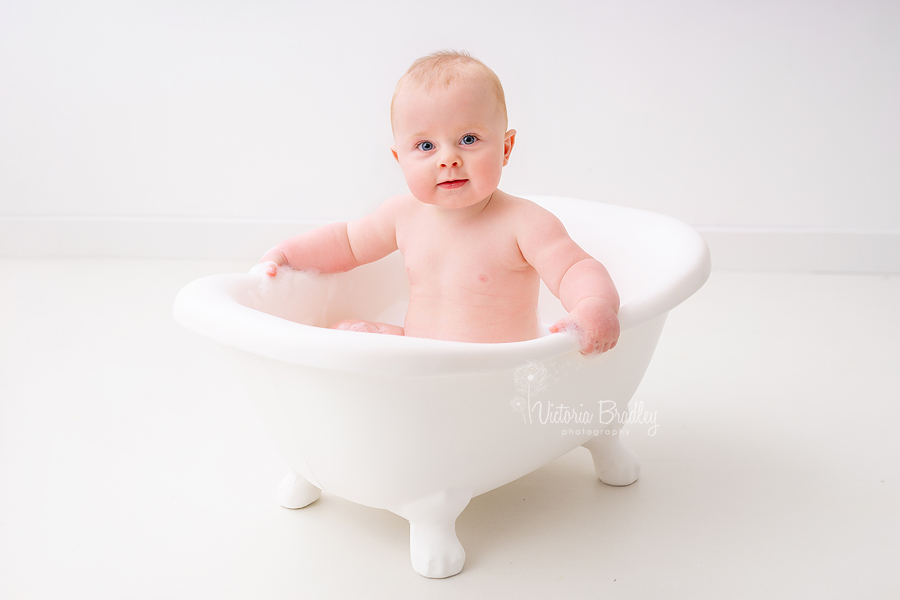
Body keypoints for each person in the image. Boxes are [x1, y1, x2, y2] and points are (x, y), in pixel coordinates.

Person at [255, 51, 619, 355]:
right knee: (347, 336)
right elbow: (345, 243)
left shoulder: (524, 223)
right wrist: (287, 255)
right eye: (426, 146)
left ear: (505, 148)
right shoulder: (402, 216)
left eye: (468, 138)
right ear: (401, 160)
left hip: (495, 368)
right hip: (421, 356)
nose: (448, 159)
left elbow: (575, 269)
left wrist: (592, 307)